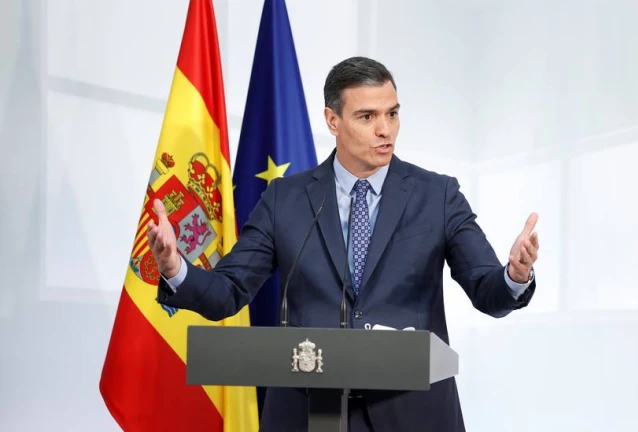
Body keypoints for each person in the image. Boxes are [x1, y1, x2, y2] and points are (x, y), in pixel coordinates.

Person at [149, 56, 539, 432]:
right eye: (367, 117)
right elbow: (227, 291)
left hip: (412, 413)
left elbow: (487, 290)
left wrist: (515, 275)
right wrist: (174, 268)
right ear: (332, 120)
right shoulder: (285, 199)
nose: (385, 130)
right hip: (304, 413)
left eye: (392, 114)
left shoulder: (438, 196)